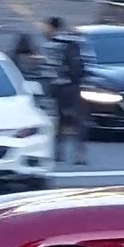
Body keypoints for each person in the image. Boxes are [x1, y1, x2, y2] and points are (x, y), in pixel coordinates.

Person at [46, 15, 90, 165]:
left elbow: (50, 68)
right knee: (76, 120)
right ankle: (79, 154)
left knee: (60, 120)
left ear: (53, 27)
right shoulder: (76, 41)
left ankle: (59, 152)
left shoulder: (55, 43)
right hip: (75, 86)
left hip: (62, 87)